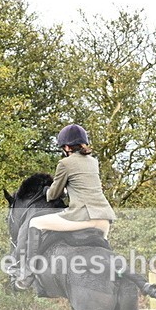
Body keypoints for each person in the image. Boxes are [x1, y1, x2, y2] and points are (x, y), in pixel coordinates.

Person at [15, 124, 116, 289]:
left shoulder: (65, 163)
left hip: (83, 217)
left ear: (67, 147)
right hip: (104, 220)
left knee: (35, 223)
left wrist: (46, 190)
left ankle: (28, 273)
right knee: (102, 255)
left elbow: (54, 194)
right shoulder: (93, 162)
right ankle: (117, 274)